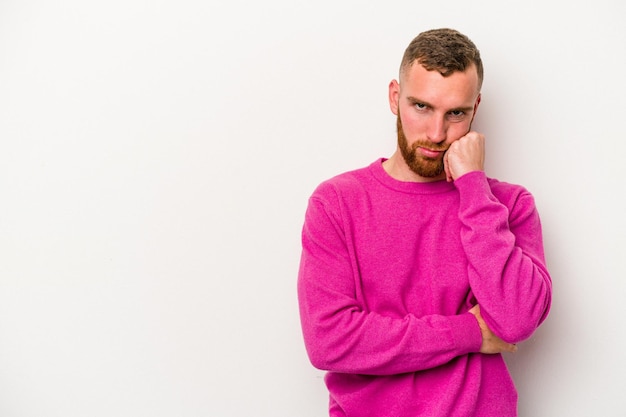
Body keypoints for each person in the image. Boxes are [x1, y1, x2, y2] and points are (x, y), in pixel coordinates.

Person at [297, 28, 552, 417]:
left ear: (475, 108)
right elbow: (328, 340)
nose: (437, 133)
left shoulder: (507, 205)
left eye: (456, 113)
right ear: (395, 97)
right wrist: (469, 332)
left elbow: (516, 321)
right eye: (421, 107)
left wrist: (472, 186)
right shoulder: (337, 204)